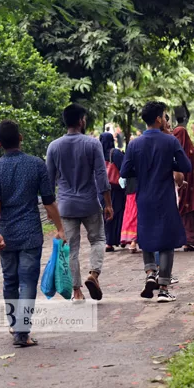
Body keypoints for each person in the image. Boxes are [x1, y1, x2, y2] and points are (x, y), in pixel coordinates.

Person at [0, 120, 65, 347]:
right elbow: (49, 201)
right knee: (27, 281)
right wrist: (59, 227)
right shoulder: (36, 165)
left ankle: (14, 324)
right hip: (30, 231)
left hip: (6, 233)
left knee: (10, 279)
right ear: (20, 138)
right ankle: (22, 331)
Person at [120, 102, 191, 303]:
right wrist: (169, 165)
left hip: (144, 197)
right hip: (164, 196)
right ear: (159, 118)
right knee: (167, 241)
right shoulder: (170, 141)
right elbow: (185, 165)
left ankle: (150, 273)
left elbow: (125, 171)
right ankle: (163, 289)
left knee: (146, 234)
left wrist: (142, 171)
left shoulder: (134, 144)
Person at [46, 104, 112, 302]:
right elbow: (101, 175)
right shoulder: (92, 144)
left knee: (71, 248)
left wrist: (50, 209)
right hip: (90, 203)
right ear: (81, 121)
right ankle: (94, 274)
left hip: (65, 205)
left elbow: (48, 181)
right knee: (98, 240)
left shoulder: (54, 146)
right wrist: (108, 202)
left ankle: (77, 291)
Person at [173, 124, 194, 252]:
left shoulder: (180, 152)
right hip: (190, 190)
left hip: (186, 188)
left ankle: (186, 240)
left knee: (185, 211)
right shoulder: (191, 151)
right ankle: (188, 240)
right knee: (189, 211)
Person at [99, 132, 126, 253]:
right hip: (116, 189)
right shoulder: (114, 153)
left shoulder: (97, 154)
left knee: (105, 214)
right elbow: (124, 168)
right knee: (118, 212)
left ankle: (108, 242)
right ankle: (119, 238)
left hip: (101, 189)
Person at [120, 175, 139, 252]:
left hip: (132, 187)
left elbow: (124, 170)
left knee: (132, 214)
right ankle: (133, 241)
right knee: (134, 214)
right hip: (138, 187)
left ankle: (132, 241)